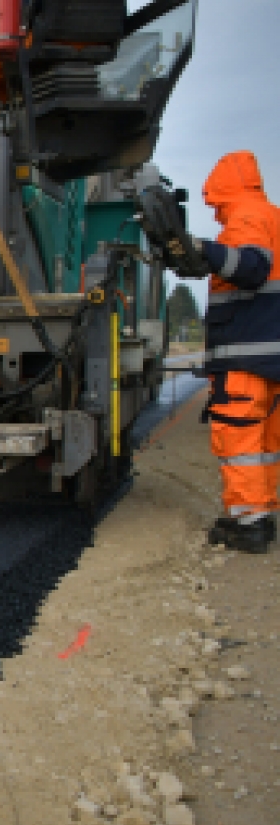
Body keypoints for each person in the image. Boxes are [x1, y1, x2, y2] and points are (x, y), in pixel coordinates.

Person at [190, 151, 280, 552]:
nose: (214, 213)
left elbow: (251, 267)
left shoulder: (247, 216)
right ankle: (261, 513)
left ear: (223, 188)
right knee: (263, 443)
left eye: (215, 204)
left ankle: (248, 526)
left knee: (240, 438)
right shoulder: (272, 215)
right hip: (269, 356)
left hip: (245, 354)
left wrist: (202, 249)